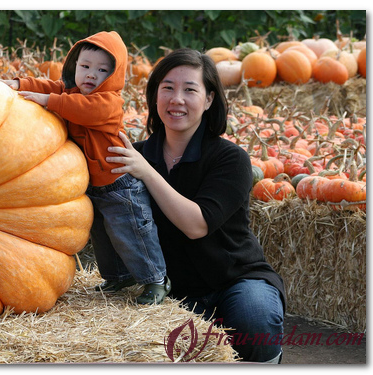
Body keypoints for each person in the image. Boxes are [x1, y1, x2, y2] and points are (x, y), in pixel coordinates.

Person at [105, 48, 286, 363]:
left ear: (209, 99)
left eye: (190, 89)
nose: (177, 99)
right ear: (155, 96)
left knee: (254, 322)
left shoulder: (230, 159)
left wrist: (146, 171)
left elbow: (196, 225)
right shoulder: (135, 155)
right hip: (171, 290)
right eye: (167, 88)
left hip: (235, 281)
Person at [0, 31, 171, 304]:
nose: (91, 75)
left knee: (133, 233)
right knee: (103, 235)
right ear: (74, 66)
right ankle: (118, 276)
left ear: (114, 76)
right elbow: (51, 87)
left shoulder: (109, 102)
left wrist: (50, 102)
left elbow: (83, 109)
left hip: (120, 184)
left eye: (103, 70)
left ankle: (156, 280)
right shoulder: (72, 91)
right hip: (93, 185)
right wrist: (18, 84)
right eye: (85, 67)